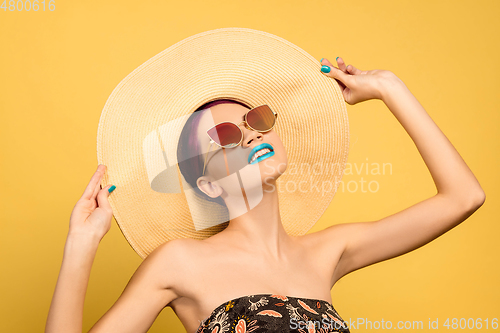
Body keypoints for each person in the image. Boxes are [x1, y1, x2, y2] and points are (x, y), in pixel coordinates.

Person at [45, 57, 485, 333]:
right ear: (208, 184)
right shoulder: (180, 263)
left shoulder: (328, 251)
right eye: (225, 136)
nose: (251, 135)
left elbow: (464, 197)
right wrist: (80, 247)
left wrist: (389, 87)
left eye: (255, 120)